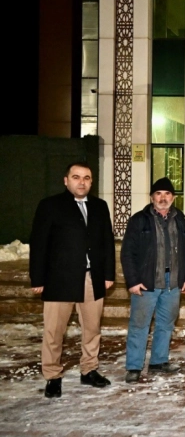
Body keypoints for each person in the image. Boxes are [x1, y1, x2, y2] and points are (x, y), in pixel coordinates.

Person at [30, 161, 116, 397]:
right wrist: (37, 278)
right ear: (66, 180)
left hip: (92, 279)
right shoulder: (50, 206)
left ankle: (89, 369)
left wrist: (108, 274)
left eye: (86, 178)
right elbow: (39, 244)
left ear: (91, 182)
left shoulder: (100, 206)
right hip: (59, 280)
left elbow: (107, 242)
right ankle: (52, 376)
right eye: (76, 177)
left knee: (92, 329)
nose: (82, 182)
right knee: (54, 331)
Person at [122, 177, 185, 383]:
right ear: (151, 197)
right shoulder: (139, 220)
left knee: (166, 324)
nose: (163, 198)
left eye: (167, 194)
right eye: (158, 194)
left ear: (173, 197)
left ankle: (158, 362)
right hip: (147, 282)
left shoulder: (180, 219)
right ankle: (134, 366)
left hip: (173, 282)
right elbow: (127, 253)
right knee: (139, 325)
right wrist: (132, 281)